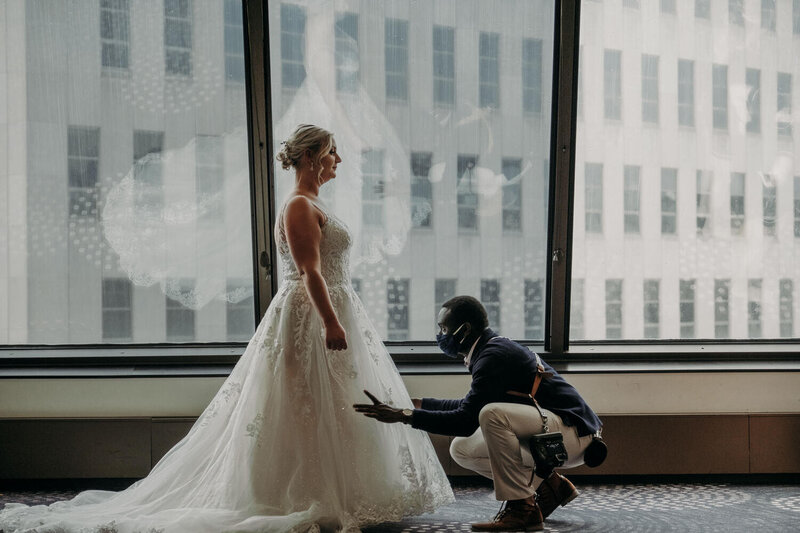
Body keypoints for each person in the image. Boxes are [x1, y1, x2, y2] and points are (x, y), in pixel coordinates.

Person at [0, 124, 454, 533]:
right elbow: (310, 271)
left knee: (331, 401)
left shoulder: (313, 203)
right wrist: (331, 321)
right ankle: (303, 491)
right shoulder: (298, 206)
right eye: (333, 152)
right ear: (313, 156)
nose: (339, 160)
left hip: (332, 305)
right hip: (313, 312)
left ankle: (348, 488)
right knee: (307, 403)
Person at [355, 295, 603, 532]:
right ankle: (551, 486)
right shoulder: (490, 349)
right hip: (557, 432)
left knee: (492, 415)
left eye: (443, 328)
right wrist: (420, 404)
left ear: (464, 330)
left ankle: (522, 509)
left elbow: (465, 420)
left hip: (574, 434)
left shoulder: (492, 357)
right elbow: (469, 406)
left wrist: (405, 415)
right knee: (462, 448)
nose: (440, 335)